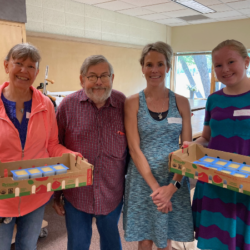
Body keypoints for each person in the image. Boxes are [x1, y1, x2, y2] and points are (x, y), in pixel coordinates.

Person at [0, 43, 79, 250]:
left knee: (27, 246)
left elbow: (52, 145)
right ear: (7, 65)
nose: (25, 71)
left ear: (36, 72)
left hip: (35, 194)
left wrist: (70, 155)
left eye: (31, 66)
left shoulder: (45, 104)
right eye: (19, 64)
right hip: (2, 198)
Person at [123, 41, 194, 250]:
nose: (155, 70)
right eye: (149, 64)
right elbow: (134, 149)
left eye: (160, 64)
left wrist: (172, 187)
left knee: (167, 235)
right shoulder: (133, 102)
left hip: (175, 178)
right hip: (143, 179)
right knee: (145, 236)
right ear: (143, 68)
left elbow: (187, 150)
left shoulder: (181, 102)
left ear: (168, 67)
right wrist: (157, 189)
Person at [53, 55, 128, 250]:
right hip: (77, 195)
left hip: (112, 194)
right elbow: (56, 149)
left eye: (104, 76)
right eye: (92, 76)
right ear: (82, 79)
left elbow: (132, 150)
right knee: (77, 244)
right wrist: (56, 194)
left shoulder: (124, 105)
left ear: (112, 78)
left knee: (112, 244)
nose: (99, 82)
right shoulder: (67, 107)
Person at [185, 39, 250, 250]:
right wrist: (193, 146)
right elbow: (206, 137)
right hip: (214, 181)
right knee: (216, 241)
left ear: (246, 61)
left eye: (231, 62)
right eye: (218, 65)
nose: (225, 69)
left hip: (246, 185)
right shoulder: (213, 99)